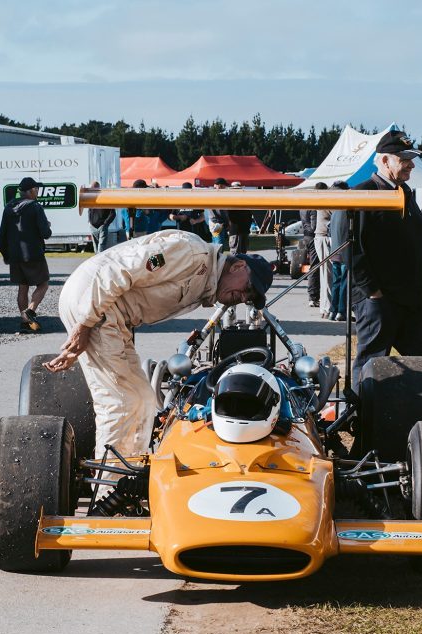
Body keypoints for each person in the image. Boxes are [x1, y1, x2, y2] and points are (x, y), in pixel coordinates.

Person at [46, 230, 274, 459]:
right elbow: (119, 270)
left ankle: (126, 476)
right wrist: (85, 324)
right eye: (248, 288)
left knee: (142, 399)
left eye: (251, 298)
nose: (244, 298)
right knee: (121, 403)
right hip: (96, 303)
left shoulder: (203, 275)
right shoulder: (192, 253)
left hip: (106, 311)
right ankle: (109, 487)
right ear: (238, 267)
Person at [350, 131, 422, 383]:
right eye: (404, 159)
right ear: (385, 161)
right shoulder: (363, 193)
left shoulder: (404, 192)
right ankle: (359, 417)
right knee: (370, 366)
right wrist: (372, 292)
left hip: (409, 302)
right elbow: (351, 249)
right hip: (379, 302)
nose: (411, 164)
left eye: (412, 158)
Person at [0, 176, 52, 332]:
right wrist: (47, 226)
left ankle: (25, 322)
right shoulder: (35, 207)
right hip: (34, 253)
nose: (38, 192)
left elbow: (2, 234)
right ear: (30, 191)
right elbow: (45, 233)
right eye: (36, 189)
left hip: (15, 255)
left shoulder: (8, 207)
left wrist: (6, 255)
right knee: (43, 284)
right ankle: (31, 310)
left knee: (23, 288)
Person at [300, 183, 326, 308]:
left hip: (306, 235)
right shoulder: (315, 205)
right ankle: (313, 296)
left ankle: (313, 295)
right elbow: (314, 225)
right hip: (313, 236)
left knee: (314, 265)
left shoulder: (305, 203)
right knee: (316, 266)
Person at [328, 180, 350, 321]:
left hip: (334, 250)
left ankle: (332, 310)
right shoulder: (347, 208)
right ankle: (341, 311)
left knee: (336, 282)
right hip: (344, 250)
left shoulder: (335, 210)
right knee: (344, 282)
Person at [86, 181, 123, 252]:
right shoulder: (91, 198)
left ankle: (99, 260)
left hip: (102, 226)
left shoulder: (105, 197)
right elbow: (89, 210)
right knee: (95, 246)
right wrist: (89, 221)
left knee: (101, 246)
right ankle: (96, 261)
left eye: (92, 188)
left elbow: (113, 213)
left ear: (97, 188)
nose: (91, 190)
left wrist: (105, 223)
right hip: (92, 226)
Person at [314, 196, 332, 316]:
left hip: (320, 237)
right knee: (328, 275)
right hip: (325, 237)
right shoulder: (332, 198)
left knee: (325, 274)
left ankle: (325, 306)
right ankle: (327, 307)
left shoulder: (324, 198)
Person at [226, 181, 253, 255]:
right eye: (235, 189)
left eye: (238, 189)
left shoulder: (246, 200)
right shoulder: (229, 201)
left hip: (244, 230)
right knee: (234, 252)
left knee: (243, 252)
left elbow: (249, 214)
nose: (236, 190)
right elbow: (228, 216)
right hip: (235, 230)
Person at [209, 177, 230, 251]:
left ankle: (219, 260)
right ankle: (219, 261)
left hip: (217, 224)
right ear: (220, 186)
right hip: (218, 224)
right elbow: (221, 212)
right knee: (219, 246)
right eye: (224, 186)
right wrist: (227, 223)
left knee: (218, 244)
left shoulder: (212, 195)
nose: (225, 188)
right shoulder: (215, 196)